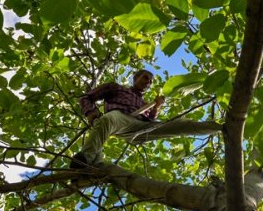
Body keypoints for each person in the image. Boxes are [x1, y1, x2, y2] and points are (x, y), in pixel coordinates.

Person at [70, 69, 221, 169]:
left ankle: (220, 127)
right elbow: (85, 97)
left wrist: (156, 107)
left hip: (142, 128)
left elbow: (150, 120)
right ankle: (84, 161)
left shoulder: (143, 103)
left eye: (150, 82)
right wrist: (91, 113)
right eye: (145, 78)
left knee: (181, 125)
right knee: (108, 119)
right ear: (135, 77)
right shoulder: (116, 88)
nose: (147, 83)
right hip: (120, 119)